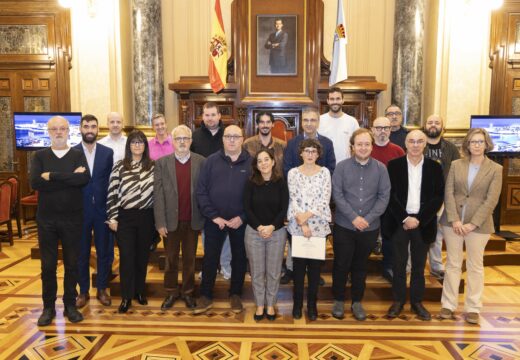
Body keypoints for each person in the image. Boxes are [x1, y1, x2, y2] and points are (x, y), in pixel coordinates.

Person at [31, 116, 90, 326]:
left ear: (68, 131)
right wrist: (68, 178)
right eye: (54, 129)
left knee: (72, 264)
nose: (58, 132)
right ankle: (48, 308)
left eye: (62, 129)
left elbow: (83, 180)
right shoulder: (39, 156)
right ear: (48, 132)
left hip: (73, 219)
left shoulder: (77, 155)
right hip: (47, 220)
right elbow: (36, 182)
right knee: (48, 266)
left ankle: (70, 305)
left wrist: (52, 176)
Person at [439, 128, 502, 325]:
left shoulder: (495, 169)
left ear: (486, 144)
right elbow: (448, 192)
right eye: (473, 141)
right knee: (452, 264)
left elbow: (492, 200)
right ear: (467, 144)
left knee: (475, 266)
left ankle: (473, 307)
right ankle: (448, 305)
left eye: (480, 142)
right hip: (453, 223)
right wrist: (455, 219)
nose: (476, 145)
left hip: (479, 226)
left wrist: (472, 223)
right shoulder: (456, 165)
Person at [383, 130, 444, 321]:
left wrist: (419, 219)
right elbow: (389, 195)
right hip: (399, 222)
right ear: (405, 144)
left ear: (425, 144)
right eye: (412, 141)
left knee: (419, 267)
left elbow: (438, 197)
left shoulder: (435, 167)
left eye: (419, 141)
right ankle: (399, 301)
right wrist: (405, 218)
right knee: (399, 265)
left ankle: (417, 302)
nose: (415, 145)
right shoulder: (394, 166)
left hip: (423, 223)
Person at [331, 129, 390, 321]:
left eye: (366, 144)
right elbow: (337, 194)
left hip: (370, 228)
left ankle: (357, 301)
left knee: (360, 265)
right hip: (344, 226)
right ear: (352, 147)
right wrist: (353, 217)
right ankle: (339, 299)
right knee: (341, 264)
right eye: (359, 144)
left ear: (372, 147)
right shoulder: (341, 167)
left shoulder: (381, 169)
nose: (363, 147)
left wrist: (368, 218)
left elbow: (384, 197)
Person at [194, 125, 252, 314]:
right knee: (210, 257)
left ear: (242, 139)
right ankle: (206, 295)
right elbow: (201, 191)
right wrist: (213, 215)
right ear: (223, 139)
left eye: (236, 136)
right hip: (215, 221)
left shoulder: (250, 164)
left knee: (239, 258)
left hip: (239, 221)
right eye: (228, 136)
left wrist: (242, 217)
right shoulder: (210, 161)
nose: (232, 140)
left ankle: (235, 294)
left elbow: (254, 195)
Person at [154, 125, 205, 310]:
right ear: (172, 141)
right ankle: (170, 292)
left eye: (185, 139)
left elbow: (204, 191)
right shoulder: (161, 163)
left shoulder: (201, 162)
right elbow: (158, 195)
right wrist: (159, 222)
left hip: (193, 220)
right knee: (171, 260)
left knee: (190, 260)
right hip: (169, 222)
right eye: (178, 139)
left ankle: (188, 293)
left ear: (191, 141)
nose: (182, 142)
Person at [282, 106, 335, 285]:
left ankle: (315, 273)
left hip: (317, 209)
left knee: (315, 250)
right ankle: (292, 270)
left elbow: (331, 168)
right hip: (298, 206)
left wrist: (312, 208)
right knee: (296, 246)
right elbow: (287, 167)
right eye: (306, 120)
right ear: (301, 122)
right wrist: (301, 213)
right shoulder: (293, 142)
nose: (309, 123)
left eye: (313, 120)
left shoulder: (327, 143)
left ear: (318, 122)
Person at [106, 130, 155, 313]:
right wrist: (112, 217)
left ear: (145, 146)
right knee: (126, 258)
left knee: (142, 257)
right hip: (125, 217)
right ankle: (126, 296)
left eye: (141, 142)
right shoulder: (120, 166)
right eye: (134, 142)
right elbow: (111, 193)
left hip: (146, 217)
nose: (137, 145)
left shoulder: (152, 166)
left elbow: (157, 195)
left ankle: (139, 292)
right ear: (129, 146)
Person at [287, 138, 332, 321]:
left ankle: (312, 305)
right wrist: (303, 224)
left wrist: (309, 217)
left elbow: (324, 199)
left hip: (318, 229)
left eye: (314, 151)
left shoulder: (325, 173)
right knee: (298, 270)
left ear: (318, 154)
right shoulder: (293, 173)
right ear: (301, 153)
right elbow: (293, 198)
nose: (310, 154)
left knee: (314, 271)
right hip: (298, 228)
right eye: (307, 151)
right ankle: (297, 305)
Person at [244, 149, 289, 321]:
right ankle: (260, 304)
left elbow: (284, 208)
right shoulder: (250, 183)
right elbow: (247, 208)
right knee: (257, 272)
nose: (263, 163)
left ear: (273, 161)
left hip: (276, 233)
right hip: (254, 233)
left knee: (273, 271)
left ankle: (270, 304)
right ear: (256, 165)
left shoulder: (281, 182)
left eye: (266, 159)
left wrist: (271, 227)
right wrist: (260, 227)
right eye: (259, 161)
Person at [75, 114, 114, 309]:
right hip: (80, 211)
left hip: (102, 210)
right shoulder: (72, 153)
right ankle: (83, 291)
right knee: (81, 252)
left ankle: (102, 288)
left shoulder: (107, 153)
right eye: (86, 126)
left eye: (93, 127)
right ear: (80, 129)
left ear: (98, 129)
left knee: (104, 251)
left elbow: (111, 182)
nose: (89, 130)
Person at [190, 102, 232, 280]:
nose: (210, 118)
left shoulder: (228, 135)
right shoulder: (195, 136)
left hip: (227, 189)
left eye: (213, 115)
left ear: (219, 116)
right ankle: (211, 266)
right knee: (208, 232)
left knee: (228, 232)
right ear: (202, 117)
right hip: (205, 191)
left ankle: (225, 265)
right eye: (206, 115)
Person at [423, 114, 461, 280]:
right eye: (430, 122)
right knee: (416, 231)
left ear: (442, 127)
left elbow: (457, 172)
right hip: (421, 196)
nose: (433, 125)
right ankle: (409, 265)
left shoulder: (451, 148)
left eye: (436, 122)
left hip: (443, 196)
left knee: (437, 232)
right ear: (424, 126)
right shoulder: (418, 144)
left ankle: (436, 265)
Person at [370, 116, 405, 282]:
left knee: (389, 235)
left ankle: (388, 266)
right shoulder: (366, 148)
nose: (382, 131)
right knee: (366, 235)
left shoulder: (398, 151)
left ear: (390, 130)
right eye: (378, 128)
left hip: (391, 201)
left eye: (385, 128)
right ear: (372, 130)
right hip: (369, 200)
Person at [148, 113, 174, 251]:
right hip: (155, 189)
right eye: (156, 124)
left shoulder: (175, 142)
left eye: (162, 124)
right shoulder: (148, 145)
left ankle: (170, 250)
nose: (160, 127)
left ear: (166, 124)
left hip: (173, 190)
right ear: (153, 127)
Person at [318, 87, 359, 164]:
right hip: (324, 166)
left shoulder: (352, 122)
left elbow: (357, 145)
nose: (335, 101)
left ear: (343, 100)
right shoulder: (319, 121)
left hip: (346, 166)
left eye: (338, 99)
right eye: (332, 99)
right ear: (328, 101)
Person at [243, 111, 286, 175]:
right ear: (257, 124)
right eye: (262, 122)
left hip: (277, 183)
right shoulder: (247, 144)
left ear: (273, 124)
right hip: (254, 183)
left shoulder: (282, 145)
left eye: (268, 122)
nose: (265, 125)